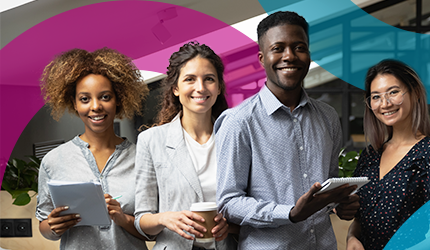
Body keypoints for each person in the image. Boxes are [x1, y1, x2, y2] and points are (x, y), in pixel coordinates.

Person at [215, 11, 360, 249]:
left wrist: (341, 203)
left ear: (309, 54)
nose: (289, 56)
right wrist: (290, 213)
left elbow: (329, 187)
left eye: (299, 47)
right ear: (262, 58)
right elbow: (229, 203)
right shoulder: (238, 121)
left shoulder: (328, 117)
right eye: (278, 48)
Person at [36, 48, 149, 249]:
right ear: (74, 103)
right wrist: (53, 226)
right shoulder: (53, 161)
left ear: (118, 99)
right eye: (85, 99)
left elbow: (153, 232)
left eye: (105, 97)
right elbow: (44, 226)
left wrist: (123, 219)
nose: (95, 106)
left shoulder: (142, 158)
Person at [345, 60, 430, 250]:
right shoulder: (370, 155)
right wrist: (352, 238)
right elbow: (360, 220)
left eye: (393, 92)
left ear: (414, 92)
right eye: (376, 97)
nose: (385, 103)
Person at [133, 41, 235, 250]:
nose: (200, 88)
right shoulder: (151, 141)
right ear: (176, 89)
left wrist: (231, 226)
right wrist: (165, 219)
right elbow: (142, 220)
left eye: (209, 79)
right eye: (190, 79)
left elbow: (250, 205)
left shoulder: (234, 138)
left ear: (218, 88)